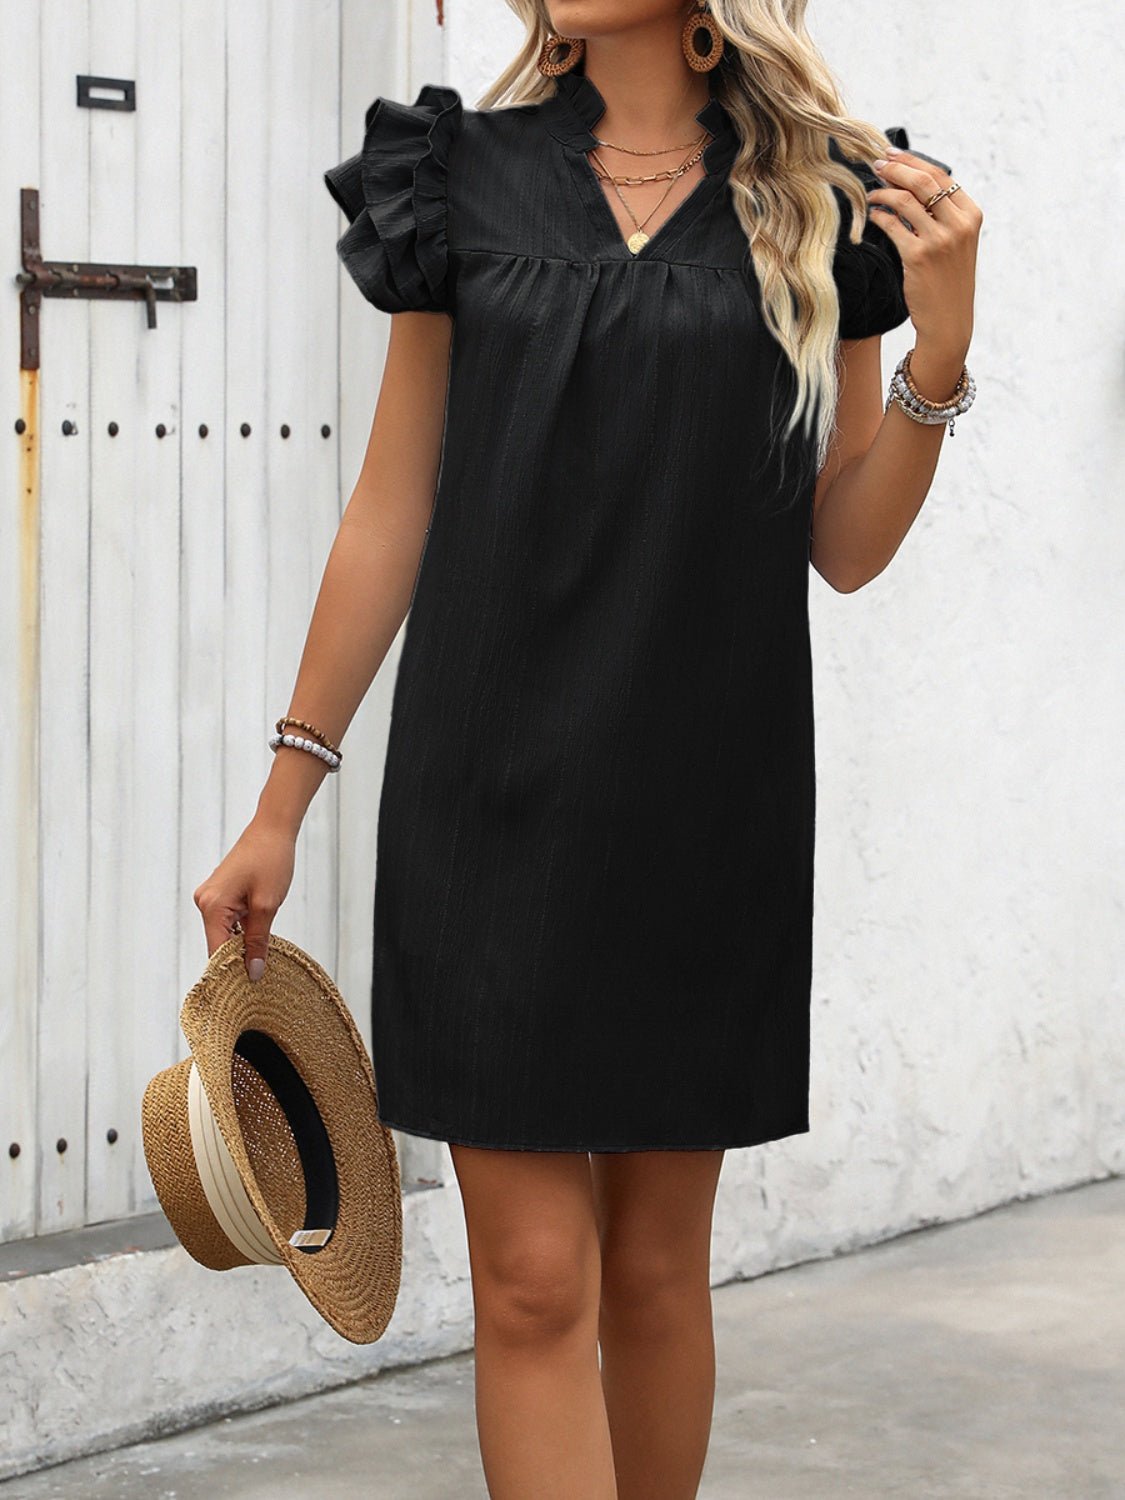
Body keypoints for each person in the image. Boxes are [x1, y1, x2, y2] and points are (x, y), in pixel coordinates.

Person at [193, 2, 982, 1495]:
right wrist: (283, 797)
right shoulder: (455, 176)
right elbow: (392, 506)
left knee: (658, 1276)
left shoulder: (828, 203)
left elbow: (843, 544)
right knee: (534, 1285)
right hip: (485, 803)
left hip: (707, 813)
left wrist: (938, 355)